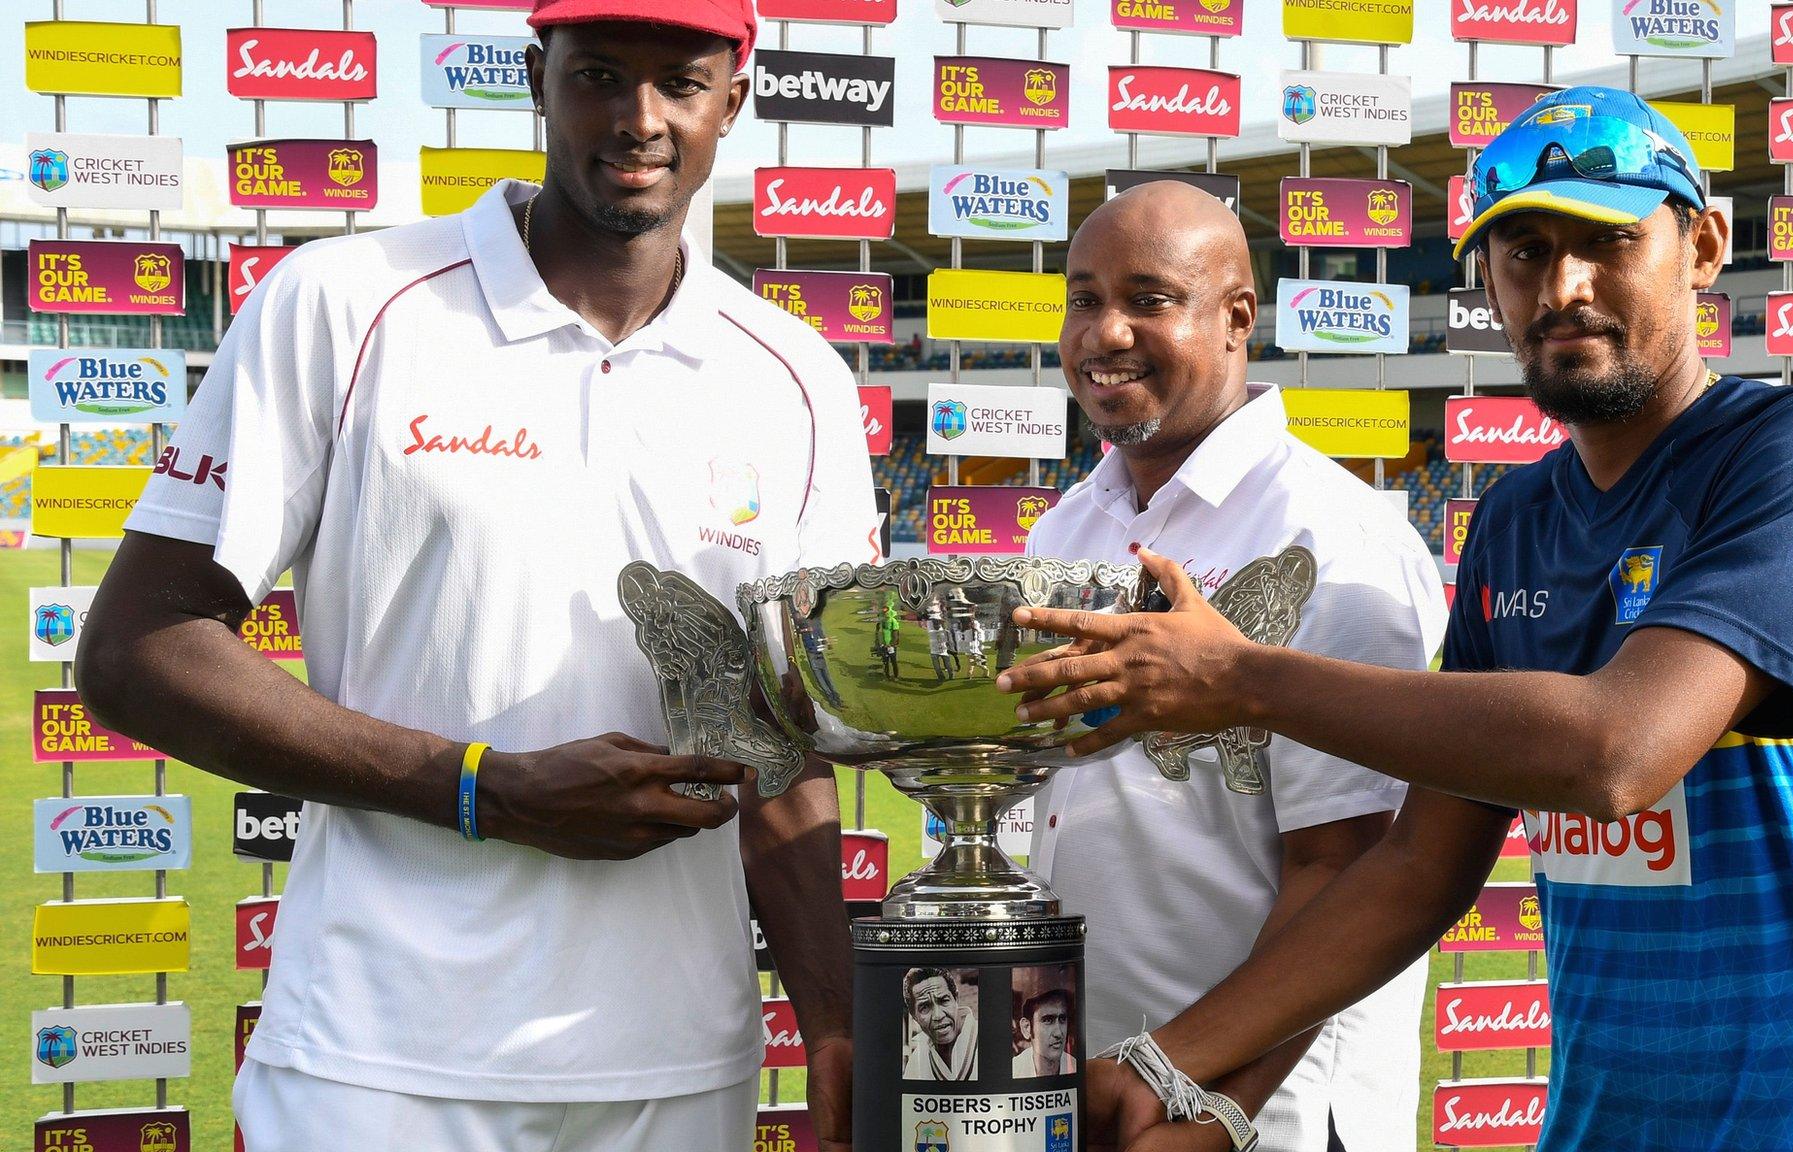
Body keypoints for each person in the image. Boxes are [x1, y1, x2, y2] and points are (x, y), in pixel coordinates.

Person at [1000, 87, 1793, 1152]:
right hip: (1601, 1120)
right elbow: (1420, 868)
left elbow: (1616, 750)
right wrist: (1171, 1068)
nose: (1563, 287)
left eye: (1609, 241)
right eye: (1524, 253)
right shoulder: (1514, 521)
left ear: (1702, 247)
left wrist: (1241, 679)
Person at [75, 3, 875, 1150]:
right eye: (597, 73)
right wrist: (477, 787)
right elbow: (138, 651)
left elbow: (780, 739)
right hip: (379, 1056)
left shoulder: (795, 376)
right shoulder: (344, 302)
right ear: (534, 78)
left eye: (680, 81)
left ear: (733, 99)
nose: (637, 119)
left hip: (677, 1066)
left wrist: (835, 1018)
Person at [1021, 180, 1445, 1152]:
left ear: (1235, 317)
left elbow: (1349, 867)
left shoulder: (1334, 537)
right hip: (1092, 1093)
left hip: (1256, 1119)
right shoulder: (1065, 525)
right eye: (1083, 298)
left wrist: (1217, 1104)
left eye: (1147, 299)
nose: (1104, 331)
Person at [902, 968, 978, 1081]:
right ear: (914, 1016)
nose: (938, 1016)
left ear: (956, 999)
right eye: (925, 1007)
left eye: (943, 1001)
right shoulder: (916, 1063)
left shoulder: (990, 1039)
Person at [1011, 974, 1076, 1078]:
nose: (1058, 1033)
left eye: (1062, 1019)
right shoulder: (1014, 1071)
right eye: (1048, 1020)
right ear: (1026, 1028)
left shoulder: (1074, 1068)